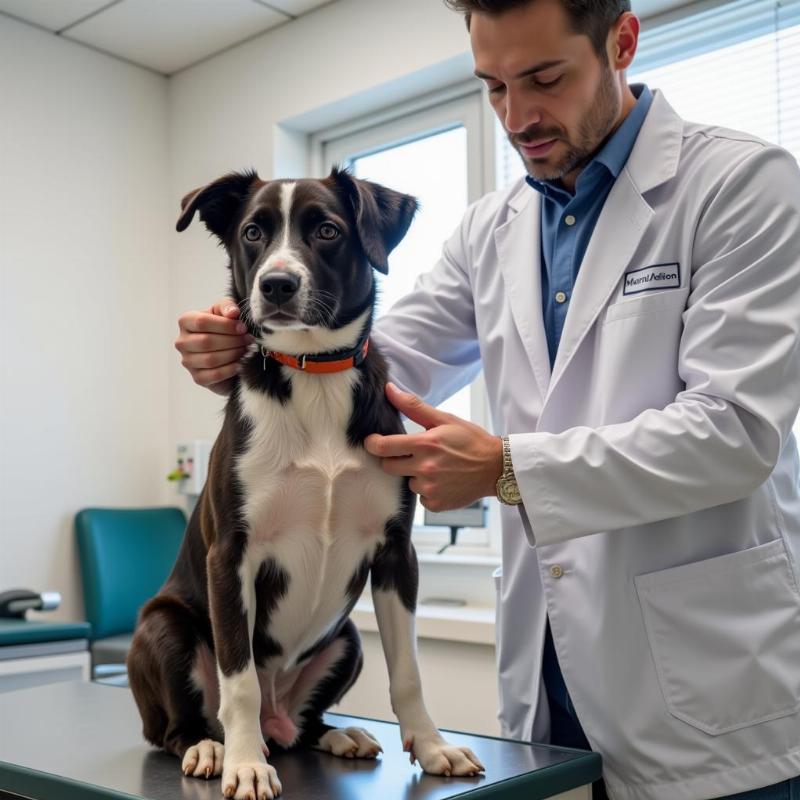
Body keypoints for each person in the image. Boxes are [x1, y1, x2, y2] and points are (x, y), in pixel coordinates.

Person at [174, 1, 800, 798]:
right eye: (494, 87)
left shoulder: (740, 184)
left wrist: (507, 469)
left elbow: (735, 433)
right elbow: (382, 357)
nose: (518, 117)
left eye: (544, 79)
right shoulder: (491, 230)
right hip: (549, 677)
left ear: (623, 41)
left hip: (710, 686)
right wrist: (258, 338)